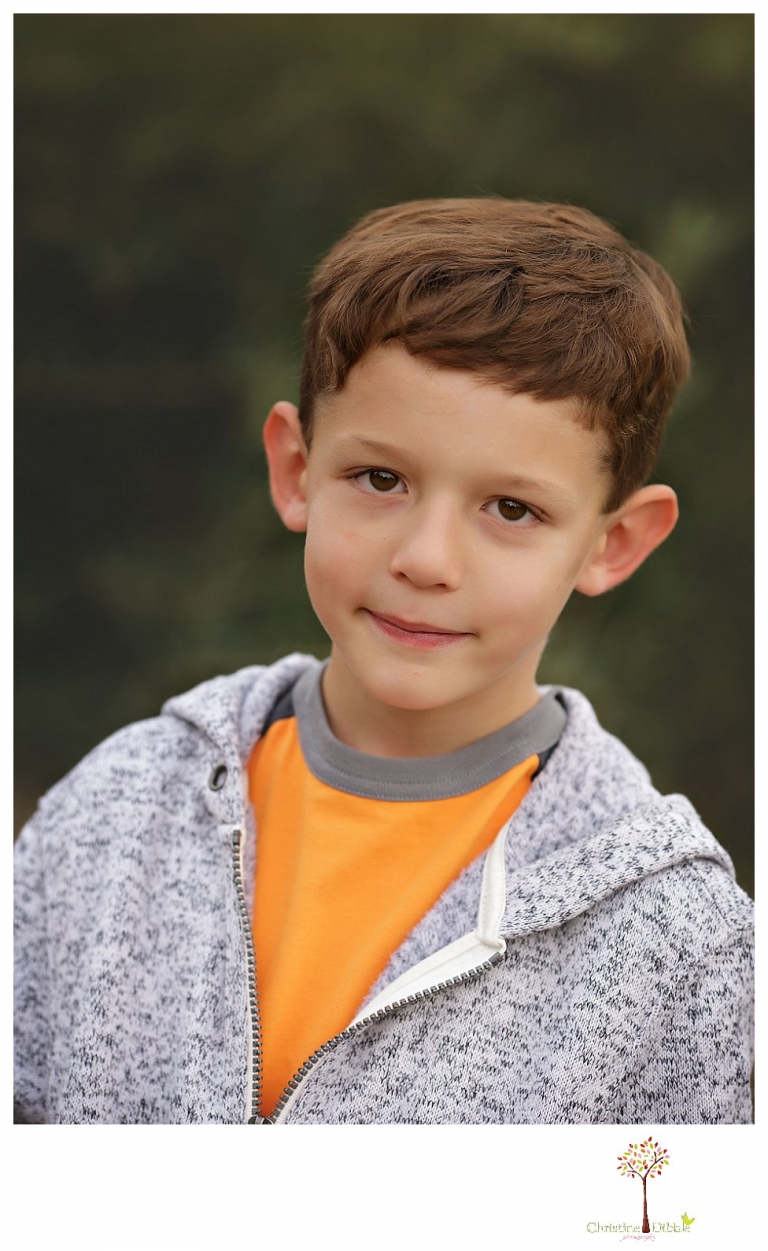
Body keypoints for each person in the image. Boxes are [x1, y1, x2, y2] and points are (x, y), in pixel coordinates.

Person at [14, 197, 753, 1125]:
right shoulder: (115, 812)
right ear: (295, 470)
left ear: (614, 543)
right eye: (381, 480)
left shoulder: (684, 945)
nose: (427, 559)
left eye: (512, 510)